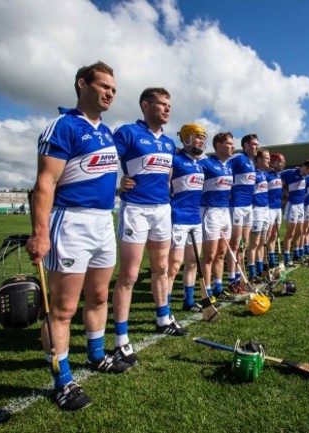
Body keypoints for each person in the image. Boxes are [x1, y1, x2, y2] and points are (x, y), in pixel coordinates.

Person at [26, 61, 129, 411]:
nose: (110, 93)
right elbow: (44, 184)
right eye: (104, 86)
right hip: (70, 223)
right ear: (82, 84)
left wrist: (120, 185)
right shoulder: (64, 126)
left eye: (113, 89)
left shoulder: (107, 132)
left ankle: (97, 355)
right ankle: (63, 380)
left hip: (103, 222)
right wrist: (40, 234)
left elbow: (93, 174)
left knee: (99, 296)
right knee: (63, 309)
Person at [111, 87, 187, 371]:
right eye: (163, 104)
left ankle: (163, 319)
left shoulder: (168, 143)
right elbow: (107, 162)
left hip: (162, 211)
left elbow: (167, 176)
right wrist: (119, 182)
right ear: (146, 105)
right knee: (129, 275)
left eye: (170, 104)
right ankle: (121, 339)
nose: (168, 109)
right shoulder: (128, 133)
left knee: (162, 269)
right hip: (136, 210)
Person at [166, 124, 209, 313]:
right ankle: (164, 306)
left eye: (203, 137)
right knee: (174, 265)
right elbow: (164, 185)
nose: (201, 140)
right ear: (186, 137)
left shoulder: (199, 163)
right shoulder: (175, 160)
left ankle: (188, 301)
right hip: (177, 218)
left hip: (195, 219)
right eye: (198, 136)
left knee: (193, 262)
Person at [200, 132, 235, 299]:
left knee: (221, 253)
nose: (232, 147)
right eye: (228, 143)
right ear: (218, 145)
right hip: (210, 212)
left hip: (225, 212)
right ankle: (206, 291)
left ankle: (218, 288)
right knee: (209, 255)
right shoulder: (205, 163)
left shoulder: (228, 166)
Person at [227, 134, 258, 289]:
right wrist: (228, 192)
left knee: (244, 244)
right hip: (237, 205)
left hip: (248, 206)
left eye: (257, 144)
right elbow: (224, 168)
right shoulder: (238, 158)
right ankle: (231, 279)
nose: (256, 147)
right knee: (234, 243)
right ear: (245, 145)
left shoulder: (252, 162)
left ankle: (239, 276)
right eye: (253, 144)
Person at [281, 159, 309, 266]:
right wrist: (284, 191)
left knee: (299, 232)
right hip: (292, 206)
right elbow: (278, 177)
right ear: (305, 167)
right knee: (290, 233)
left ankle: (297, 254)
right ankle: (287, 258)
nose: (308, 174)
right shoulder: (290, 172)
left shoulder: (306, 177)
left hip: (301, 207)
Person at [247, 148, 271, 283]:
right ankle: (252, 272)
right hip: (256, 211)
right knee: (254, 243)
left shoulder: (264, 175)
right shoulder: (254, 174)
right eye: (266, 158)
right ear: (259, 160)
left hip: (265, 210)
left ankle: (261, 269)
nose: (269, 161)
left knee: (262, 242)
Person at [266, 153, 285, 269]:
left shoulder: (279, 175)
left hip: (278, 208)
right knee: (267, 235)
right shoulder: (266, 175)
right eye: (281, 161)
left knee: (274, 235)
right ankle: (264, 259)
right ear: (274, 162)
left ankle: (272, 258)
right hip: (269, 208)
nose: (282, 164)